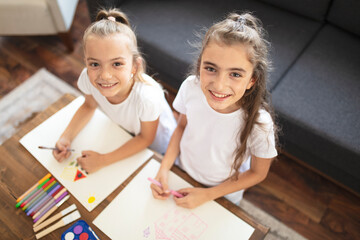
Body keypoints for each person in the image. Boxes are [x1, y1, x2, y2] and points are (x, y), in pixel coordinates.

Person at [150, 12, 278, 208]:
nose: (219, 85)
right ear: (200, 64)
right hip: (182, 170)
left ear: (252, 80)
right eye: (210, 68)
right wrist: (164, 168)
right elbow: (181, 127)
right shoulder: (191, 87)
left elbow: (258, 172)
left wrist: (207, 195)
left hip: (224, 192)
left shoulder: (260, 123)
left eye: (235, 74)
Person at [53, 9, 176, 173]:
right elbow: (89, 106)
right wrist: (66, 137)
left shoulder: (147, 97)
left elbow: (146, 138)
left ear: (134, 66)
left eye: (116, 64)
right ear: (86, 62)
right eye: (95, 64)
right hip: (125, 131)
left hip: (157, 142)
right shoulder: (87, 79)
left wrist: (103, 160)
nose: (105, 75)